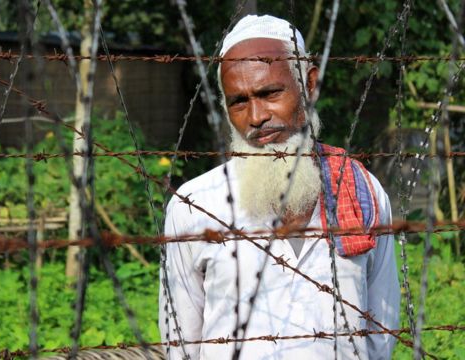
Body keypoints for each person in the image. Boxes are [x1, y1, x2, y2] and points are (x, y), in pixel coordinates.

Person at [159, 15, 400, 359]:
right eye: (239, 101)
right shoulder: (194, 206)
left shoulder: (362, 192)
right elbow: (181, 343)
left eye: (270, 92)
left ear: (309, 85)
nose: (256, 116)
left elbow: (381, 330)